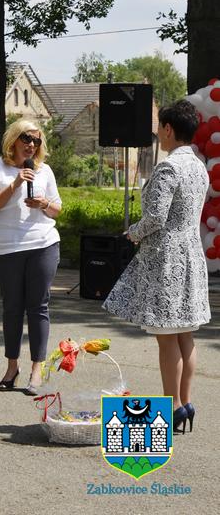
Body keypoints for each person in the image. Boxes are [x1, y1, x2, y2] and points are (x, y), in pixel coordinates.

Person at [103, 100, 211, 433]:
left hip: (167, 258)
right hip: (192, 253)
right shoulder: (199, 166)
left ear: (168, 129)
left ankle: (174, 406)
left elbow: (155, 218)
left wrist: (132, 233)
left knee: (166, 337)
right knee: (185, 334)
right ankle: (186, 401)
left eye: (159, 127)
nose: (157, 134)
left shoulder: (169, 168)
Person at [0, 119, 61, 395]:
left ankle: (37, 369)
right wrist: (15, 184)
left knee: (38, 306)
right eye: (26, 138)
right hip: (7, 248)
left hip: (43, 243)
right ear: (13, 139)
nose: (31, 145)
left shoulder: (44, 171)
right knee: (12, 308)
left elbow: (57, 210)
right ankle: (12, 366)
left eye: (36, 141)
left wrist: (45, 204)